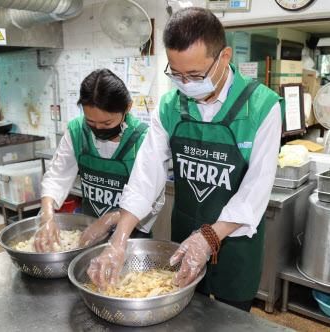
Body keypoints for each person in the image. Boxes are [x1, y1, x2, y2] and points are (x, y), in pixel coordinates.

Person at [86, 8, 285, 312]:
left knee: (232, 319)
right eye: (176, 75)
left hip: (235, 243)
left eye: (195, 75)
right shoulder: (169, 106)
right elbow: (146, 175)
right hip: (184, 239)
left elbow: (256, 189)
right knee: (186, 315)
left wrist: (209, 237)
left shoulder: (262, 106)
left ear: (225, 56)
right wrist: (120, 238)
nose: (186, 85)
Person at [34, 69, 164, 253]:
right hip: (89, 237)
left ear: (127, 108)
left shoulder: (144, 139)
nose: (98, 128)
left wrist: (112, 218)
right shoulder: (77, 130)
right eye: (91, 122)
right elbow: (56, 176)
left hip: (131, 241)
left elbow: (154, 201)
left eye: (107, 123)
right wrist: (47, 216)